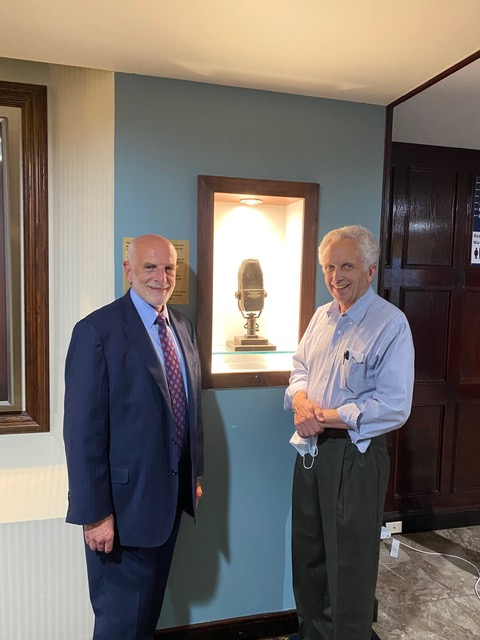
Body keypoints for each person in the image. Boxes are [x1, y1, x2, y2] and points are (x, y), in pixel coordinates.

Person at [63, 234, 204, 640]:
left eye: (169, 269)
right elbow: (82, 432)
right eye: (150, 267)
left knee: (144, 622)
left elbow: (191, 408)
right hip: (120, 516)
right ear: (128, 270)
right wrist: (95, 514)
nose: (161, 277)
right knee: (119, 626)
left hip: (168, 505)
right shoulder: (97, 331)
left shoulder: (182, 327)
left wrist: (194, 475)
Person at [284, 225, 414, 640]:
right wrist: (302, 403)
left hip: (356, 457)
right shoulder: (321, 317)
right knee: (309, 556)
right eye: (328, 267)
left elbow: (394, 405)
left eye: (346, 266)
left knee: (349, 565)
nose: (336, 276)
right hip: (310, 451)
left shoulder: (391, 325)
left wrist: (326, 415)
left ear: (370, 270)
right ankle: (311, 634)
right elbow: (299, 368)